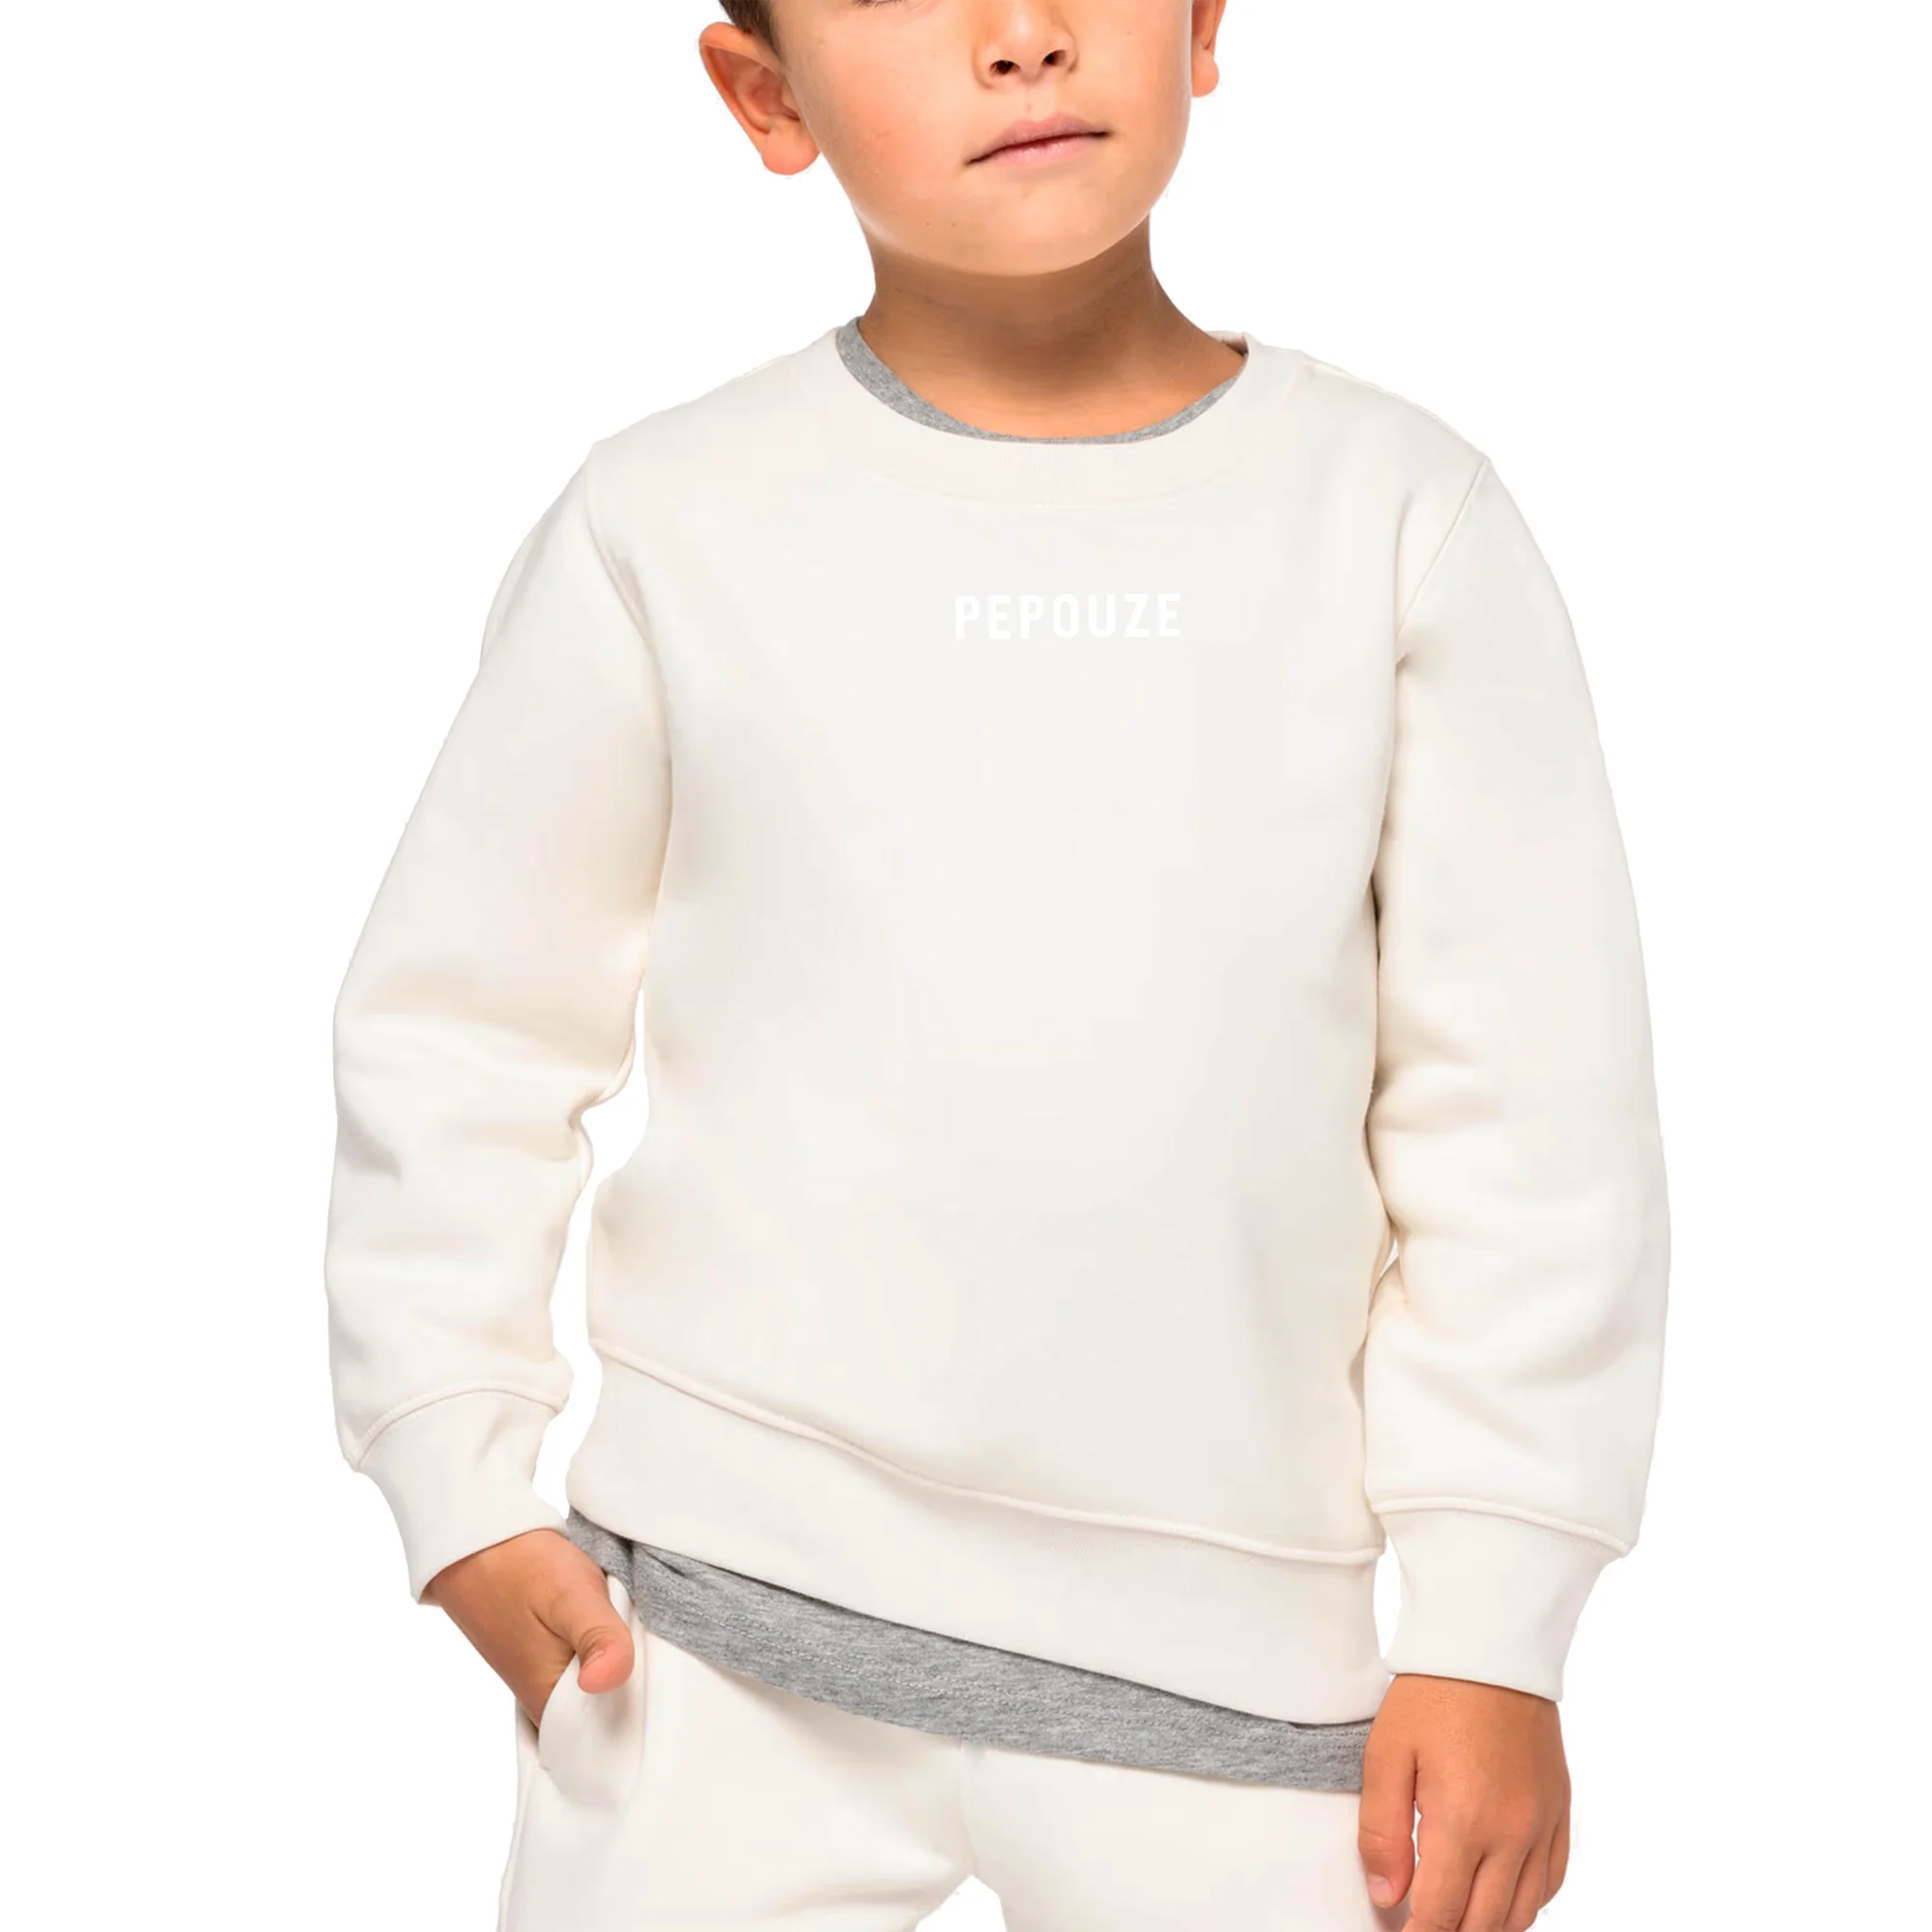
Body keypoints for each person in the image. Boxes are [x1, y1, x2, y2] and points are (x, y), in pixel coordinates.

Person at [322, 3, 1671, 1926]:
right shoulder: (666, 524)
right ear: (765, 95)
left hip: (1235, 1688)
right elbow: (464, 1028)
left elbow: (1527, 1108)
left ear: (1202, 22)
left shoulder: (1397, 522)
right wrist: (454, 1475)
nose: (1021, 35)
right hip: (705, 1641)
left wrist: (1496, 1620)